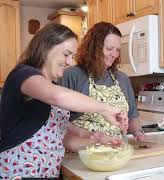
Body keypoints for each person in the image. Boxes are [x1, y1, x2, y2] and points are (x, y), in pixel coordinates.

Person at [0, 23, 128, 179]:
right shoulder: (23, 75)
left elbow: (64, 139)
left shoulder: (51, 85)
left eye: (72, 56)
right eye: (66, 54)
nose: (69, 62)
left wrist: (98, 142)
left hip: (49, 174)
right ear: (46, 48)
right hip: (17, 173)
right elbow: (57, 96)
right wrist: (105, 109)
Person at [60, 22, 146, 152]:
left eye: (117, 50)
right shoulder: (71, 75)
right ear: (94, 47)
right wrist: (91, 138)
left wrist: (138, 133)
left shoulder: (122, 78)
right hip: (81, 153)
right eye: (109, 49)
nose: (114, 54)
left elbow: (132, 116)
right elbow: (58, 121)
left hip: (117, 153)